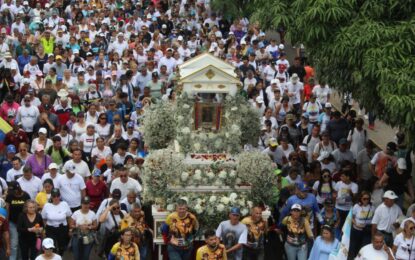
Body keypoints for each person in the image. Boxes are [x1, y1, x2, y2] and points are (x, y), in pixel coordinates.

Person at [41, 188, 72, 255]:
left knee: (62, 247)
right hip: (51, 228)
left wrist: (70, 229)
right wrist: (45, 228)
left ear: (60, 196)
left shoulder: (64, 204)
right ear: (51, 196)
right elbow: (44, 218)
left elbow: (69, 217)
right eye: (54, 196)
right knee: (52, 247)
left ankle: (60, 257)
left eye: (57, 196)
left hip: (62, 228)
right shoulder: (47, 205)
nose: (56, 198)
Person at [6, 181, 30, 260]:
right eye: (11, 191)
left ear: (18, 188)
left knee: (22, 243)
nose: (13, 192)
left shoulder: (26, 195)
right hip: (13, 223)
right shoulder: (9, 196)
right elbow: (7, 209)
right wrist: (7, 223)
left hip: (24, 223)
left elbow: (29, 209)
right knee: (14, 243)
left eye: (14, 190)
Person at [349, 191, 376, 259]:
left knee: (364, 246)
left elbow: (374, 218)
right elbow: (351, 217)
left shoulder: (372, 207)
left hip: (367, 230)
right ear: (361, 199)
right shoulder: (356, 206)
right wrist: (356, 224)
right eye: (364, 199)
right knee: (355, 246)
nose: (366, 200)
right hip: (357, 230)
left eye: (367, 199)